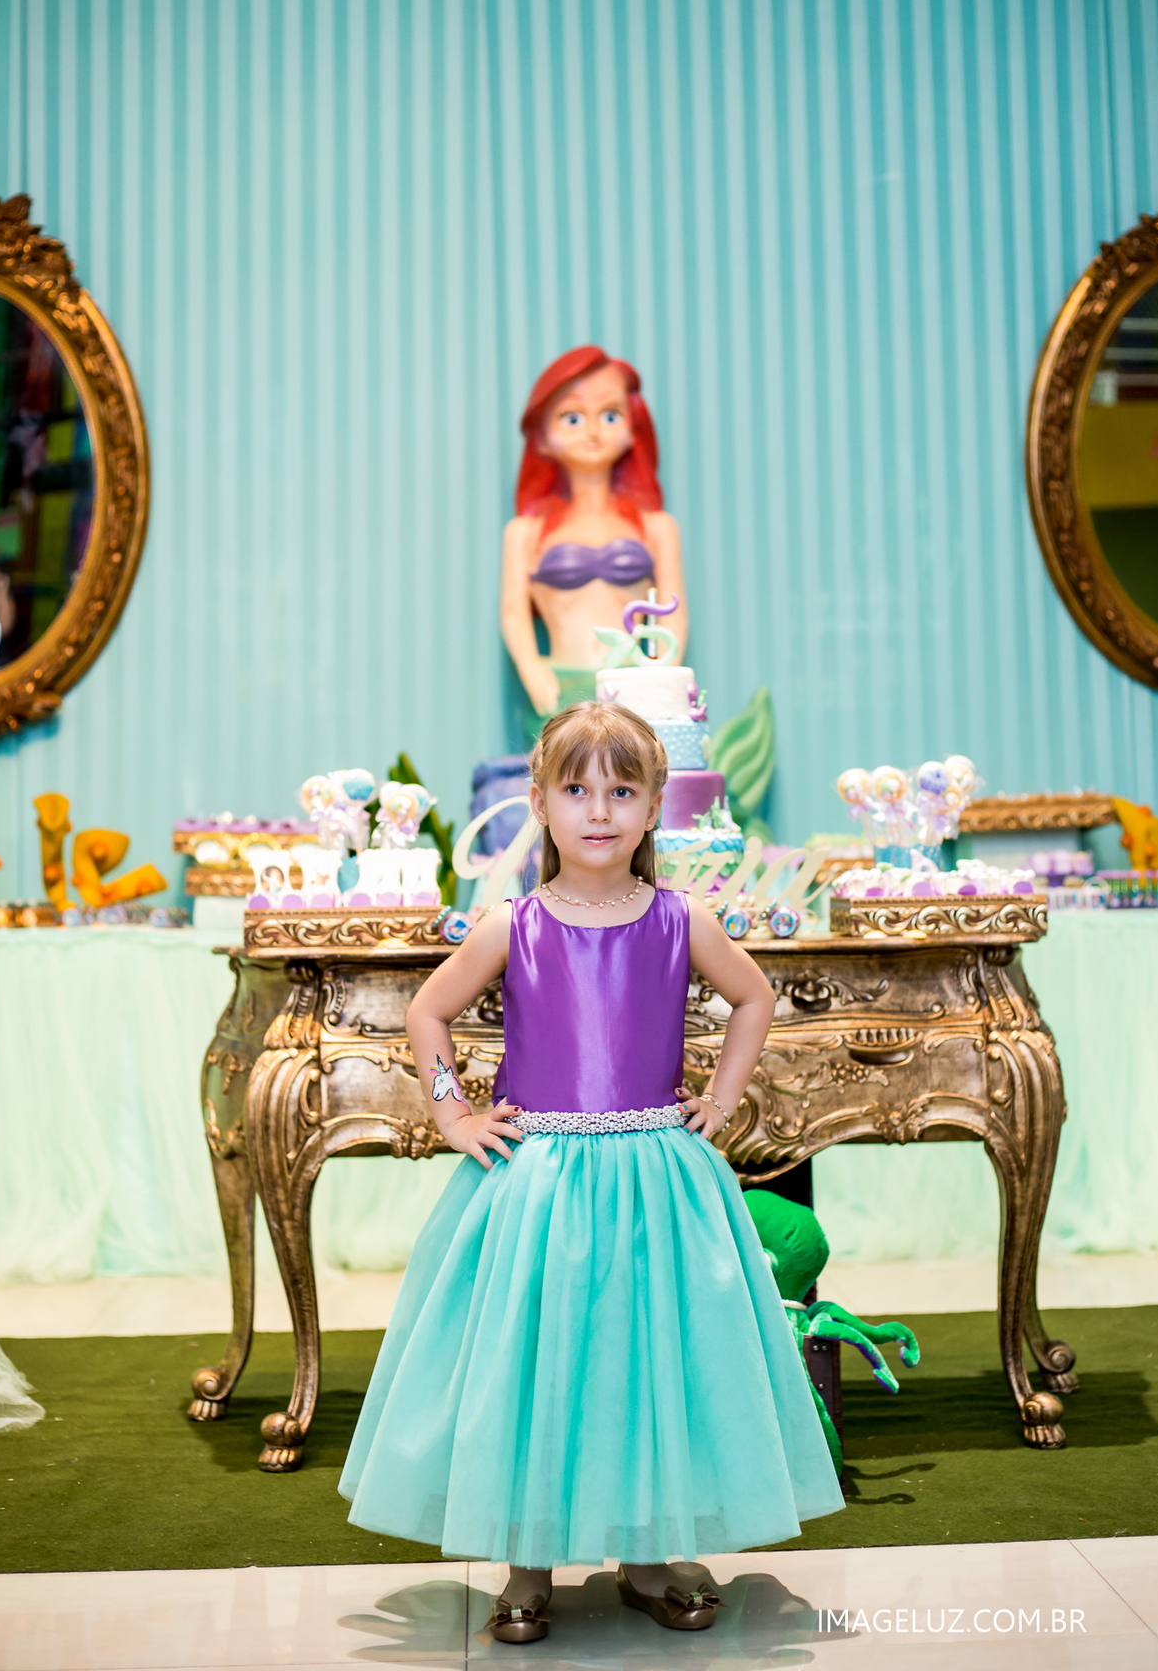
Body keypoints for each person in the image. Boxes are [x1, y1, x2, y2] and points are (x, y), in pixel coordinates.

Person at [339, 701, 843, 1643]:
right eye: (576, 790)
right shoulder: (514, 923)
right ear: (541, 803)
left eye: (622, 791)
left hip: (656, 1183)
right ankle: (526, 1563)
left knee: (642, 1364)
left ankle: (645, 1557)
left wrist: (721, 1098)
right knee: (538, 1362)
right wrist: (452, 1111)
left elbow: (753, 997)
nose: (599, 810)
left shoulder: (680, 919)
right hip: (539, 1186)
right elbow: (427, 1013)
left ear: (654, 808)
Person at [500, 347, 688, 742]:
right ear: (542, 439)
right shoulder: (526, 532)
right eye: (572, 417)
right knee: (562, 777)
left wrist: (661, 675)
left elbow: (674, 612)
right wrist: (532, 671)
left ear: (633, 429)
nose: (592, 431)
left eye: (610, 415)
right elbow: (514, 613)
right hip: (558, 686)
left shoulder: (656, 527)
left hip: (635, 686)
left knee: (634, 777)